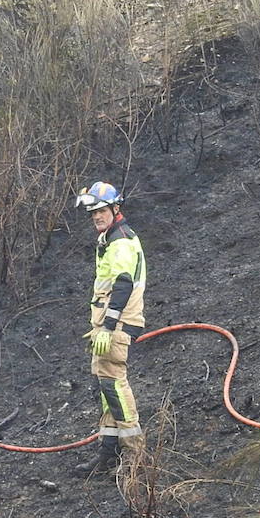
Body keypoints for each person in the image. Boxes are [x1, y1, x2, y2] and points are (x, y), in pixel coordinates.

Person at [73, 181, 147, 474]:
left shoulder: (120, 242)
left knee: (115, 384)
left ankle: (135, 455)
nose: (96, 217)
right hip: (107, 325)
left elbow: (123, 284)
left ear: (116, 208)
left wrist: (107, 326)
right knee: (106, 386)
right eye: (92, 213)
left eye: (101, 210)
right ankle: (108, 452)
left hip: (114, 326)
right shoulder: (111, 239)